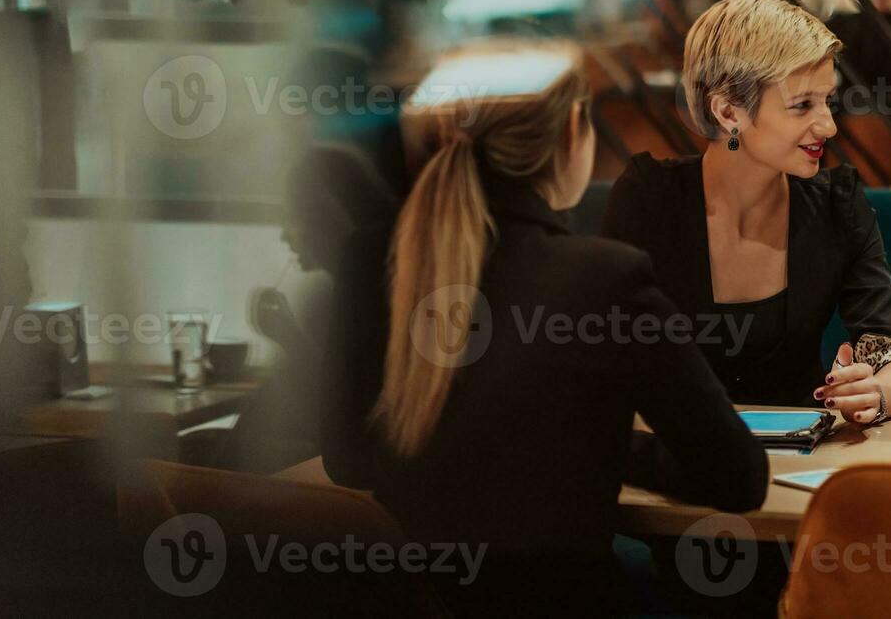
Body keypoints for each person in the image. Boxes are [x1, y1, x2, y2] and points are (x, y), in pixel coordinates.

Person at [322, 41, 767, 615]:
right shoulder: (605, 278)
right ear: (570, 135)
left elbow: (347, 456)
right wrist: (610, 445)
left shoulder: (369, 258)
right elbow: (737, 477)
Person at [601, 0, 891, 423]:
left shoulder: (837, 205)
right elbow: (602, 360)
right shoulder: (648, 200)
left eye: (828, 100)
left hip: (803, 463)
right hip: (671, 462)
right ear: (728, 111)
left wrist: (874, 391)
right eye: (802, 105)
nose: (828, 125)